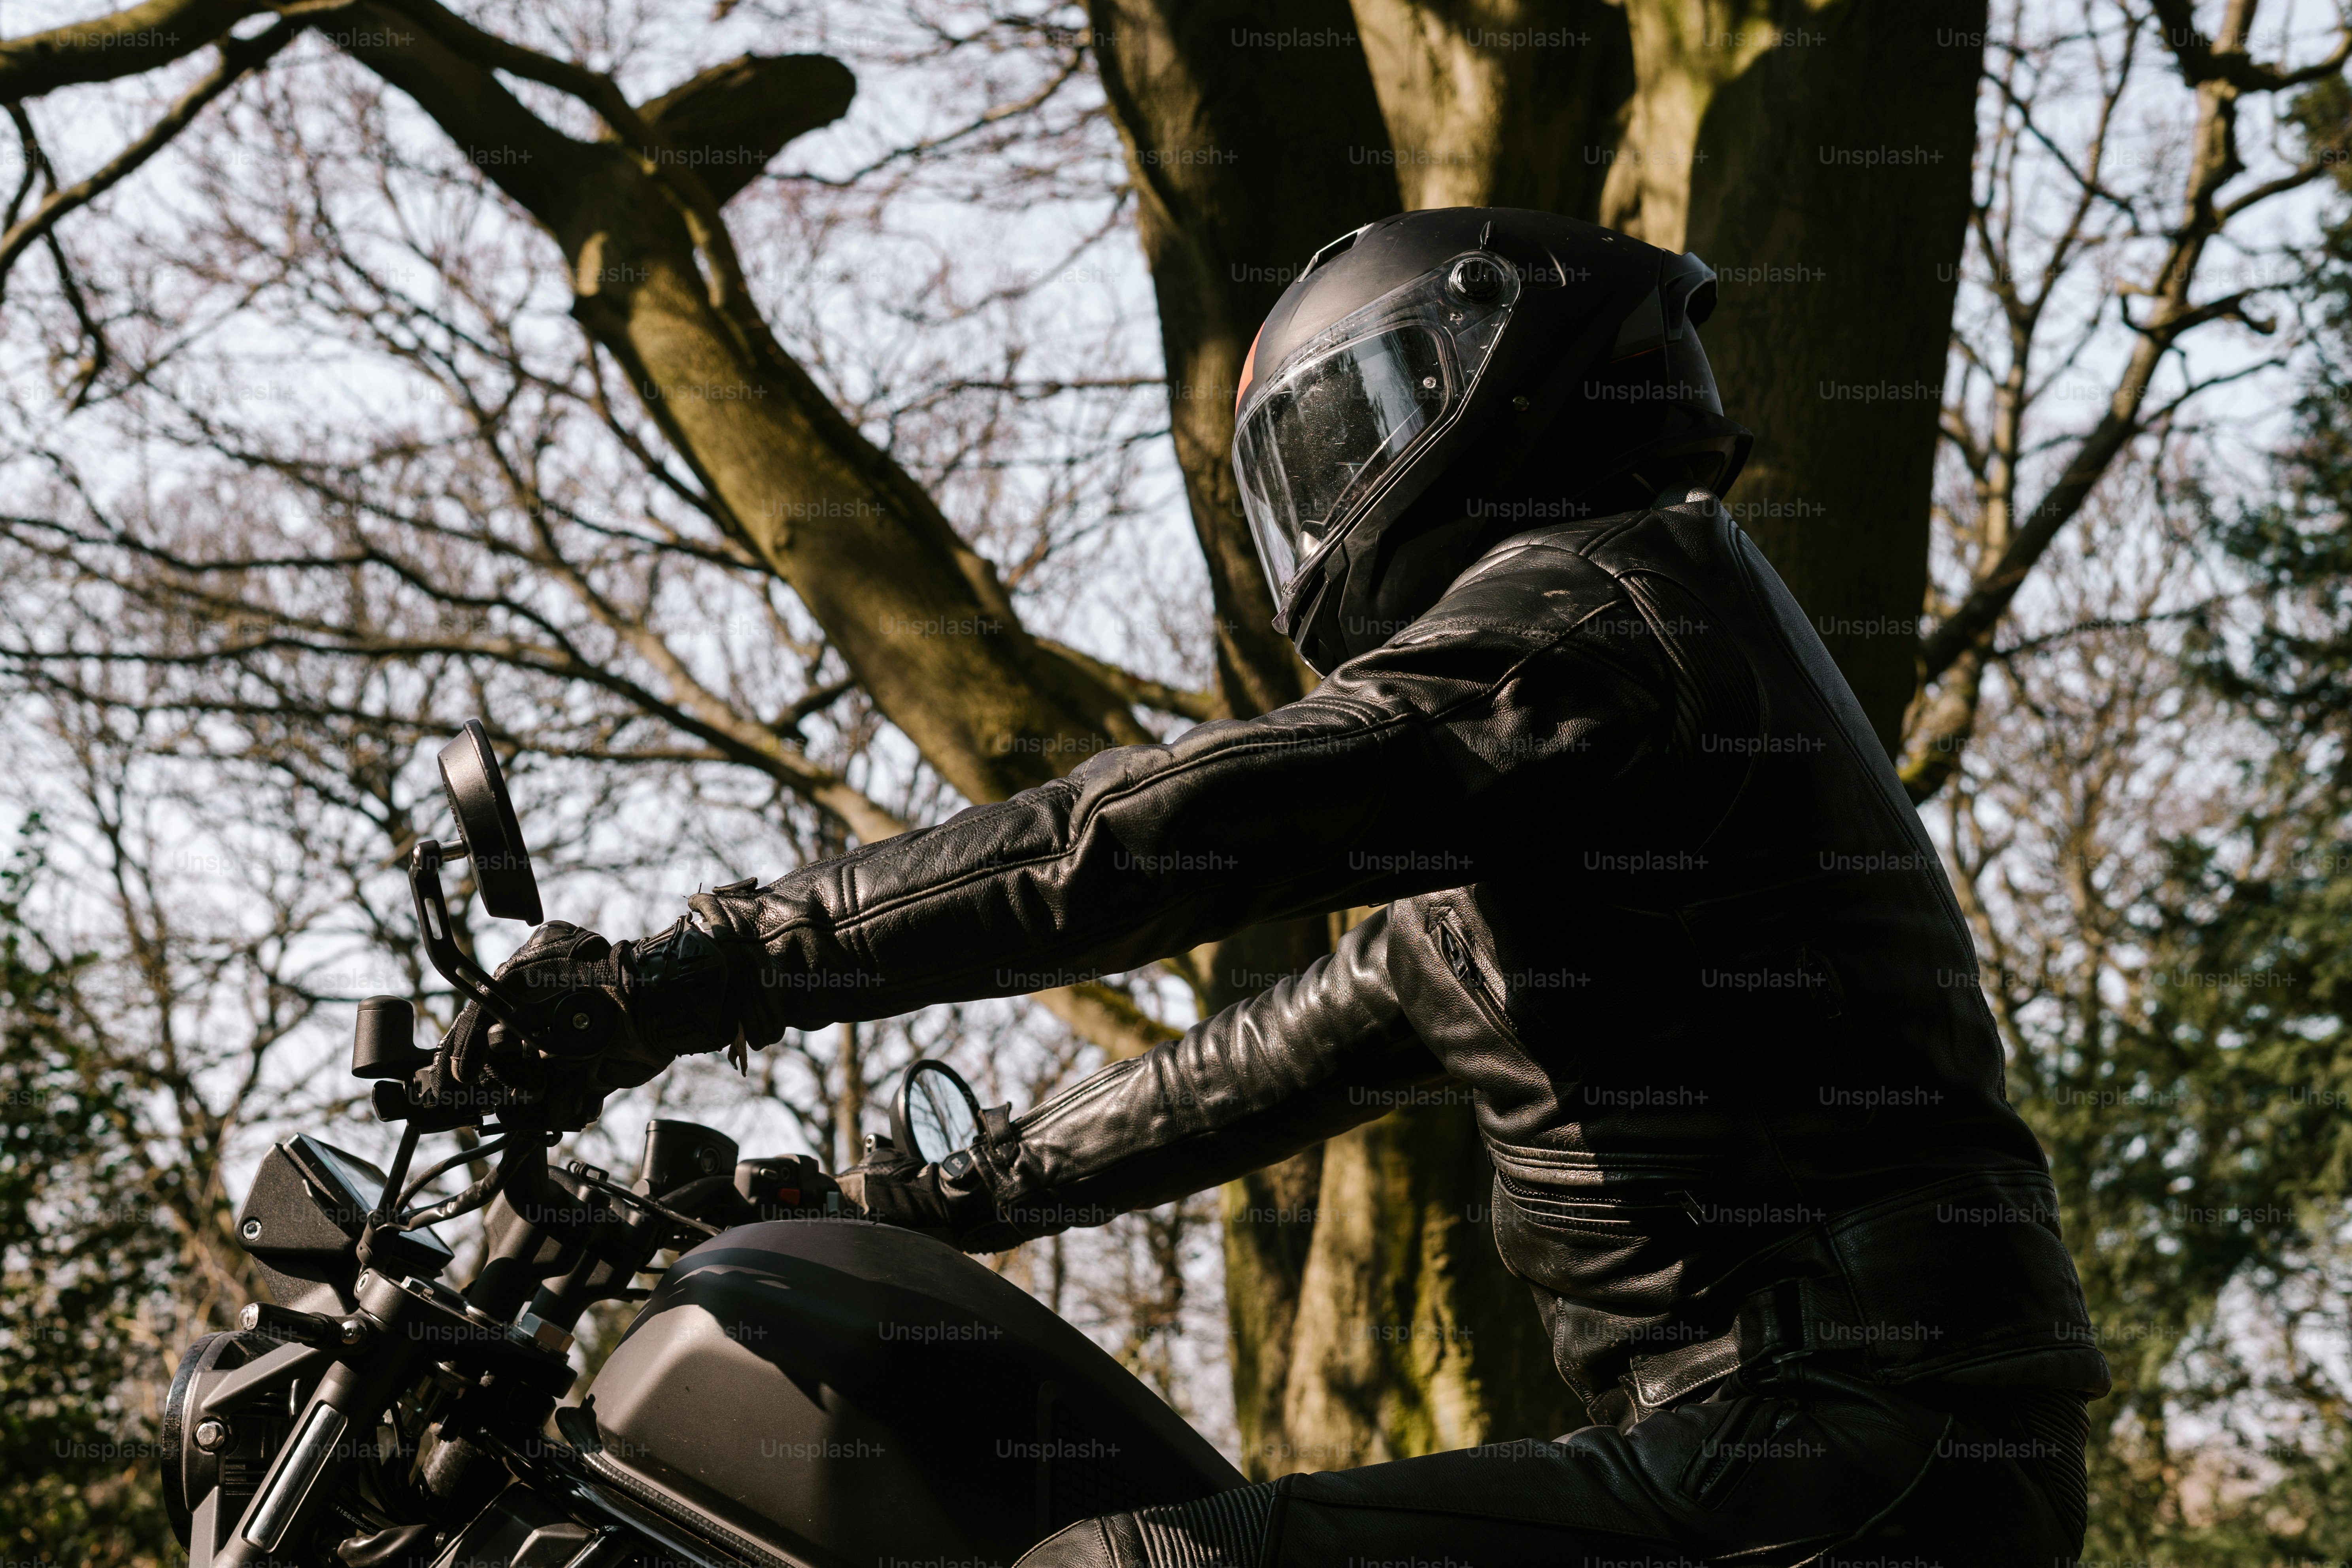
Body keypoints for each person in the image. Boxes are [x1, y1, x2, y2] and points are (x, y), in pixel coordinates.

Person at [435, 208, 2109, 1566]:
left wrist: (696, 969)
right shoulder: (1570, 752)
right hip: (1818, 1434)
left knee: (1132, 1566)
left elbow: (1143, 841)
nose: (1319, 487)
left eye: (1342, 424)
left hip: (1844, 1441)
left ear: (1473, 385)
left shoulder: (1595, 616)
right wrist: (901, 1210)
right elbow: (1249, 1068)